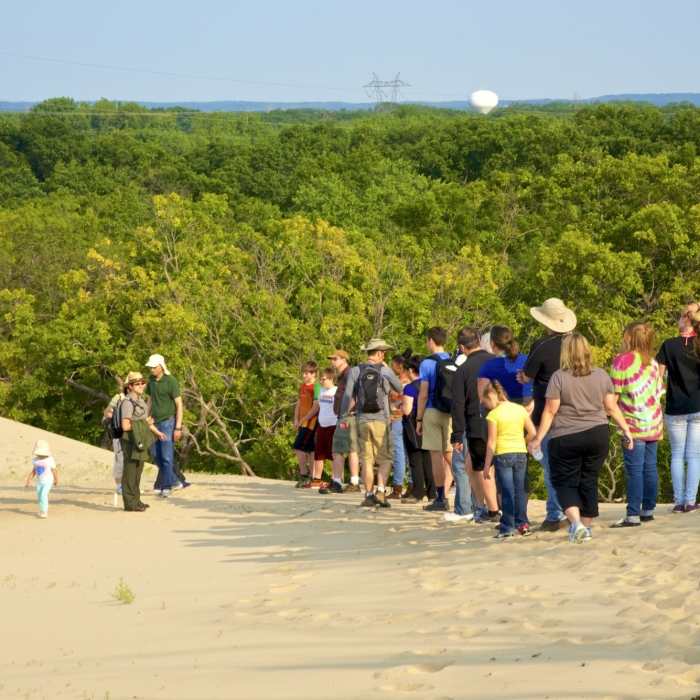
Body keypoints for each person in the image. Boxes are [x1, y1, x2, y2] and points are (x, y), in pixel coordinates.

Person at [529, 334, 634, 543]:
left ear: (566, 353)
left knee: (564, 481)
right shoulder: (602, 375)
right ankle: (586, 528)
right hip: (597, 433)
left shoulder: (559, 377)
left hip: (566, 436)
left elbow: (550, 411)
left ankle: (576, 524)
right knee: (589, 479)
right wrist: (626, 429)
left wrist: (538, 437)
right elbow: (611, 407)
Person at [520, 298, 577, 532]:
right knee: (572, 465)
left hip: (546, 408)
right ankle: (574, 509)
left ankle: (553, 513)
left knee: (550, 464)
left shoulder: (542, 345)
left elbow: (527, 374)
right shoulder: (576, 344)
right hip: (575, 409)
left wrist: (523, 379)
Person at [610, 322, 664, 527]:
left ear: (629, 337)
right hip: (654, 422)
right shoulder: (653, 363)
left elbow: (613, 397)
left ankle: (632, 513)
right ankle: (648, 509)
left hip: (632, 424)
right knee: (650, 468)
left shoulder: (622, 361)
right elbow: (658, 392)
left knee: (634, 470)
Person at [340, 338, 402, 508]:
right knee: (385, 458)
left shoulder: (355, 370)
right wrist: (388, 372)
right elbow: (400, 388)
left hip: (362, 419)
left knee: (366, 459)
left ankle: (368, 494)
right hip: (381, 420)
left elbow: (347, 396)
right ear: (380, 353)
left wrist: (343, 416)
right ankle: (380, 491)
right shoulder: (385, 371)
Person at [656, 302, 700, 513]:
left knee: (677, 454)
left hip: (675, 406)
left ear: (685, 319)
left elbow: (658, 377)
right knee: (694, 455)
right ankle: (690, 502)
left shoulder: (668, 345)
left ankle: (678, 501)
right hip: (698, 405)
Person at [451, 326, 496, 522]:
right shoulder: (496, 361)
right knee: (477, 465)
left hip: (477, 422)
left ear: (461, 347)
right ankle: (484, 505)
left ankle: (490, 509)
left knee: (480, 467)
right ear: (478, 340)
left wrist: (457, 433)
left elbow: (458, 403)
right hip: (502, 418)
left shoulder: (464, 369)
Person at [482, 381, 536, 538]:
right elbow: (532, 432)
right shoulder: (520, 409)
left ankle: (507, 527)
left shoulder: (493, 415)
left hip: (503, 453)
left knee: (507, 491)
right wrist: (522, 443)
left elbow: (491, 442)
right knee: (520, 490)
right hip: (520, 453)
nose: (486, 406)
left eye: (486, 402)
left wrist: (487, 465)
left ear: (491, 397)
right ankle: (523, 524)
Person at [416, 327, 454, 512]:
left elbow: (423, 393)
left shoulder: (427, 363)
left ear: (431, 340)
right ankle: (468, 492)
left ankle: (441, 497)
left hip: (432, 410)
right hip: (450, 411)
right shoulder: (453, 360)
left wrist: (419, 419)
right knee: (451, 454)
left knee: (435, 455)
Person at [120, 371, 166, 512]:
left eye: (142, 383)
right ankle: (129, 503)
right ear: (130, 386)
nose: (141, 385)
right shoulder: (127, 402)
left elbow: (145, 422)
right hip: (130, 440)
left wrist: (158, 433)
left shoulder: (141, 401)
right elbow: (125, 426)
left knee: (138, 471)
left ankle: (136, 500)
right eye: (137, 383)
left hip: (140, 439)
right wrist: (143, 423)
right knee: (130, 472)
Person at [145, 353, 187, 497]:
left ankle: (167, 486)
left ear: (161, 367)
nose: (151, 369)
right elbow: (149, 400)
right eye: (150, 367)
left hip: (168, 423)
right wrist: (146, 416)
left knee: (167, 456)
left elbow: (179, 405)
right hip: (154, 423)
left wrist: (178, 427)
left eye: (153, 367)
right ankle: (175, 481)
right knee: (155, 454)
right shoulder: (151, 381)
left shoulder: (171, 381)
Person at [401, 357, 435, 503]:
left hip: (413, 425)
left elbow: (407, 410)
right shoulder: (429, 384)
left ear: (410, 370)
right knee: (428, 459)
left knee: (415, 459)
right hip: (430, 422)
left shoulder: (410, 387)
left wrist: (399, 406)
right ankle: (433, 492)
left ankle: (418, 492)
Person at [327, 350, 361, 493]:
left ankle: (337, 482)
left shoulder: (349, 374)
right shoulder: (344, 375)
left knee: (338, 450)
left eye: (335, 359)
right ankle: (353, 482)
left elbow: (357, 393)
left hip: (347, 417)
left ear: (343, 359)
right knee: (351, 449)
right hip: (348, 416)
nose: (332, 362)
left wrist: (349, 410)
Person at [301, 367, 337, 491]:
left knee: (333, 455)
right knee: (319, 454)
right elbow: (316, 408)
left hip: (333, 426)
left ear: (331, 378)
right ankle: (316, 479)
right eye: (321, 379)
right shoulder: (321, 391)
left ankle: (335, 479)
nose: (321, 381)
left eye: (324, 379)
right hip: (322, 426)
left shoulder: (336, 391)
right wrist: (305, 418)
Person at [478, 325, 532, 405]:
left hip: (502, 410)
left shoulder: (489, 366)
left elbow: (482, 396)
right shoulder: (528, 359)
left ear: (492, 343)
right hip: (529, 408)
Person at [292, 361, 319, 488]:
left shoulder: (317, 387)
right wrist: (296, 420)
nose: (303, 375)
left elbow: (316, 407)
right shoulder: (303, 386)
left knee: (299, 447)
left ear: (314, 374)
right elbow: (298, 403)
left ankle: (306, 475)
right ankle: (309, 477)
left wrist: (304, 419)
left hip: (311, 424)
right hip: (303, 423)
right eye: (303, 372)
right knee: (309, 450)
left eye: (306, 373)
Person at [387, 353, 411, 499]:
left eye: (393, 364)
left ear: (399, 366)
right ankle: (412, 484)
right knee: (408, 454)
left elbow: (395, 400)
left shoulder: (400, 382)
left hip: (397, 418)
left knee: (399, 453)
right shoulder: (410, 380)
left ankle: (397, 486)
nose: (391, 367)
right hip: (406, 420)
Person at [25, 440, 58, 518]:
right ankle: (42, 509)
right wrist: (28, 480)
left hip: (48, 481)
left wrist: (56, 480)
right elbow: (34, 471)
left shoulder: (50, 459)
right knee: (39, 496)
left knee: (43, 494)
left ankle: (44, 512)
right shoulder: (35, 460)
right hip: (39, 482)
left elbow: (54, 470)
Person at [103, 381, 126, 497]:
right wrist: (112, 415)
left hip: (129, 433)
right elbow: (106, 412)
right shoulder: (118, 398)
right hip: (118, 432)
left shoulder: (137, 398)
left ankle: (127, 485)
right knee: (120, 459)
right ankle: (119, 485)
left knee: (128, 460)